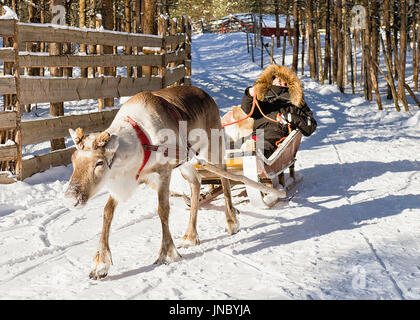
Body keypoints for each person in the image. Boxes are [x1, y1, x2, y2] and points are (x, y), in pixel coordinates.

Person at [240, 65, 317, 158]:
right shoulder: (262, 99)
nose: (279, 81)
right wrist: (249, 95)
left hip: (278, 135)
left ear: (289, 83)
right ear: (271, 80)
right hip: (257, 134)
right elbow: (248, 110)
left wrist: (290, 117)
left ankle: (254, 157)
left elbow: (310, 126)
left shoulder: (295, 103)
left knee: (262, 147)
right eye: (277, 79)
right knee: (234, 145)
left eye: (282, 80)